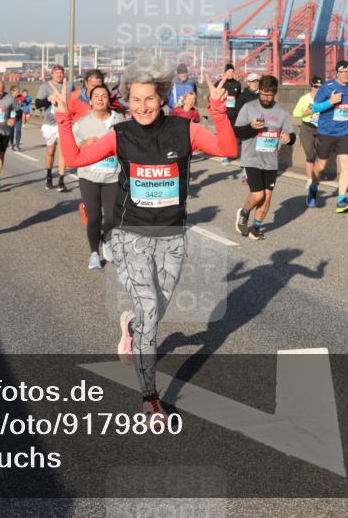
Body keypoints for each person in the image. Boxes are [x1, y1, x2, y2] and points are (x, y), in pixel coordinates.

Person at [49, 60, 237, 423]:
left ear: (162, 97)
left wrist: (218, 110)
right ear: (127, 101)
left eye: (149, 98)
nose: (142, 106)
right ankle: (150, 398)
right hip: (131, 234)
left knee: (156, 309)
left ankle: (131, 326)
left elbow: (227, 150)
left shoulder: (186, 130)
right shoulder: (121, 135)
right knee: (151, 310)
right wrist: (63, 120)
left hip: (172, 236)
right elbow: (74, 158)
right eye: (135, 100)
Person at [233, 75, 296, 240]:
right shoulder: (249, 107)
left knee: (267, 198)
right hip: (251, 158)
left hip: (271, 161)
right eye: (263, 94)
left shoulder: (282, 112)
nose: (267, 98)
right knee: (258, 195)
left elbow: (291, 136)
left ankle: (256, 227)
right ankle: (244, 213)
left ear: (275, 93)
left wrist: (289, 139)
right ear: (259, 91)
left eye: (270, 95)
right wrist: (251, 127)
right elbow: (237, 132)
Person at [72, 85, 124, 269]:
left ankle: (107, 239)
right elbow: (72, 149)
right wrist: (85, 144)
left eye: (104, 96)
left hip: (112, 176)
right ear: (90, 99)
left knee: (111, 218)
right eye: (96, 96)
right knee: (94, 217)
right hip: (89, 177)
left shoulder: (119, 120)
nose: (100, 99)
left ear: (108, 99)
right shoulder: (81, 123)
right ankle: (94, 253)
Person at [311, 60, 348, 213]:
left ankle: (341, 200)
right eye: (343, 72)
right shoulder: (326, 88)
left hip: (343, 132)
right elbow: (314, 108)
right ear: (337, 73)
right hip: (326, 132)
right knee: (321, 166)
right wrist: (330, 102)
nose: (347, 74)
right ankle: (313, 188)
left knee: (346, 164)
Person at [34, 64, 71, 191]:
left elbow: (75, 101)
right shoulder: (45, 86)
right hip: (49, 123)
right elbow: (38, 104)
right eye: (56, 73)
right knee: (51, 151)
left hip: (64, 122)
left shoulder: (69, 86)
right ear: (52, 74)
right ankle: (49, 175)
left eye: (61, 72)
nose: (59, 75)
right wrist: (49, 100)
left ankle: (61, 180)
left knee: (64, 152)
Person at [292, 75, 323, 207]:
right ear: (311, 86)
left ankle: (316, 177)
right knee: (310, 154)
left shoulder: (325, 98)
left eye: (321, 87)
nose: (318, 89)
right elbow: (295, 114)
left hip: (321, 129)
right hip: (307, 128)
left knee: (321, 156)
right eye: (316, 87)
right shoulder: (304, 99)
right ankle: (310, 179)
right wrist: (306, 112)